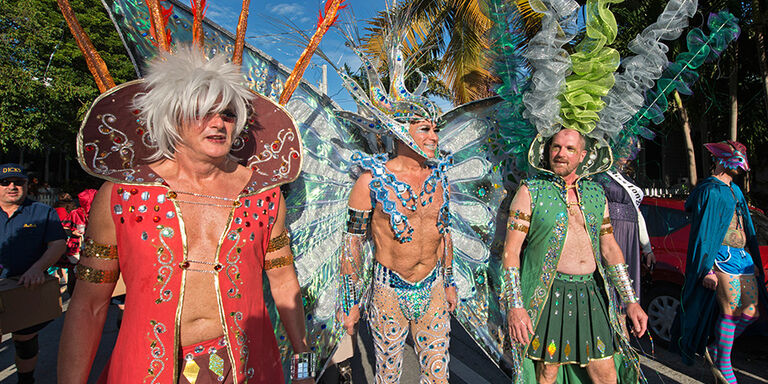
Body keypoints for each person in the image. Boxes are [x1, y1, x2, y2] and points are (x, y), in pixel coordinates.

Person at [58, 47, 314, 384]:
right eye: (201, 111)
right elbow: (88, 305)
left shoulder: (263, 197)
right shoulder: (122, 196)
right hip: (147, 369)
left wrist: (304, 367)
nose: (218, 123)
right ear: (171, 116)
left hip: (249, 366)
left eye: (227, 114)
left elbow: (283, 282)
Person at [336, 44, 457, 383]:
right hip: (388, 292)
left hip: (432, 289)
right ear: (402, 131)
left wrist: (448, 282)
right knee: (388, 376)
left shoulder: (440, 178)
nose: (434, 137)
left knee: (438, 377)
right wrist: (350, 301)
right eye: (425, 129)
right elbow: (353, 245)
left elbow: (444, 232)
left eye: (435, 129)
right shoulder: (370, 181)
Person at [503, 129, 648, 383]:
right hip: (548, 296)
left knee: (606, 374)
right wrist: (516, 306)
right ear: (547, 151)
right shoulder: (530, 191)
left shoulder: (595, 193)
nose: (560, 154)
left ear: (582, 155)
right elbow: (511, 251)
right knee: (547, 373)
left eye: (569, 149)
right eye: (556, 147)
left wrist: (631, 300)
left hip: (590, 295)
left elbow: (610, 248)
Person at [673, 140, 767, 383]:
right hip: (721, 258)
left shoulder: (734, 189)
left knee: (750, 312)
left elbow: (744, 221)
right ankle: (724, 363)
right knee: (731, 311)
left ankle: (716, 351)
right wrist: (707, 268)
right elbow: (704, 233)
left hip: (741, 257)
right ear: (722, 160)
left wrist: (750, 254)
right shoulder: (710, 190)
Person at [0, 163, 67, 384]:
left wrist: (37, 268)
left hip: (25, 287)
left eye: (19, 182)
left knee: (25, 339)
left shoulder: (42, 212)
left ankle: (25, 380)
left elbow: (57, 244)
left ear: (27, 185)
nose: (12, 186)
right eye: (5, 182)